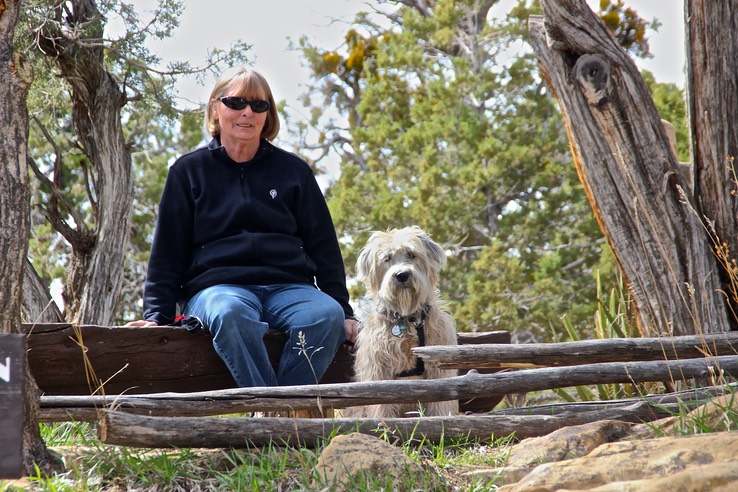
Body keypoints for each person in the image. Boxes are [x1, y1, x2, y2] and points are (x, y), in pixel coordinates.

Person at [127, 67, 360, 387]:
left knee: (326, 315)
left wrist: (344, 311)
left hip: (289, 287)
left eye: (258, 105)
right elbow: (167, 252)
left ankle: (277, 412)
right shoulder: (188, 171)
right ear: (215, 108)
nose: (247, 112)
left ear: (268, 115)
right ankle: (273, 412)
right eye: (236, 102)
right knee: (231, 313)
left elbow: (324, 247)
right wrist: (157, 317)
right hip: (217, 290)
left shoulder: (294, 171)